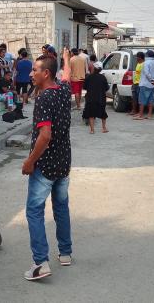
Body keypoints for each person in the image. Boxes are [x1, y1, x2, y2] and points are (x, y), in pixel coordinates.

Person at [22, 54, 72, 281]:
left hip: (45, 166)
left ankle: (40, 263)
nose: (31, 74)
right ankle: (65, 253)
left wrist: (30, 161)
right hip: (63, 163)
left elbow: (45, 136)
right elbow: (68, 76)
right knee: (61, 207)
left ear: (46, 74)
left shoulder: (44, 99)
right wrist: (66, 59)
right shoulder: (62, 91)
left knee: (34, 211)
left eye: (35, 70)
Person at [134, 50, 154, 120]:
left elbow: (146, 73)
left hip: (145, 84)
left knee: (142, 100)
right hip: (152, 85)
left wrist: (152, 80)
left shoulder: (146, 63)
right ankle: (149, 115)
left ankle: (140, 115)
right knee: (151, 100)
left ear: (147, 55)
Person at [82, 62, 109, 134]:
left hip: (90, 98)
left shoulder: (88, 77)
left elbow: (84, 87)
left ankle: (92, 130)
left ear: (94, 68)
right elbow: (106, 88)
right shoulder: (103, 77)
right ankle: (104, 128)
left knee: (91, 114)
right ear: (100, 70)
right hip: (101, 98)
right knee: (103, 114)